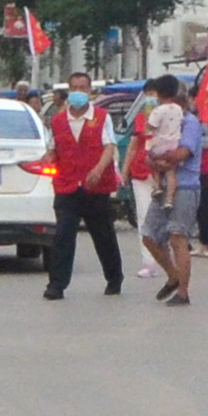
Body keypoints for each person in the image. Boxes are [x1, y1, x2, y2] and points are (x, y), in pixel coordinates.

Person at [44, 82, 127, 301]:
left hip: (95, 187)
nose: (78, 91)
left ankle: (114, 278)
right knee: (63, 234)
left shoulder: (101, 117)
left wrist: (98, 170)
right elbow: (53, 149)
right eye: (74, 87)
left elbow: (110, 146)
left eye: (83, 87)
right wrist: (46, 160)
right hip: (67, 186)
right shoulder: (58, 121)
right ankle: (56, 285)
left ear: (90, 91)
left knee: (103, 235)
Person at [130, 76, 202, 305]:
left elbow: (183, 153)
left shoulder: (190, 123)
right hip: (162, 184)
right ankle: (173, 275)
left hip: (185, 186)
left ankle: (183, 291)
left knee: (178, 237)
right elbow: (146, 148)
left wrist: (161, 159)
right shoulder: (161, 121)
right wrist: (154, 162)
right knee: (149, 235)